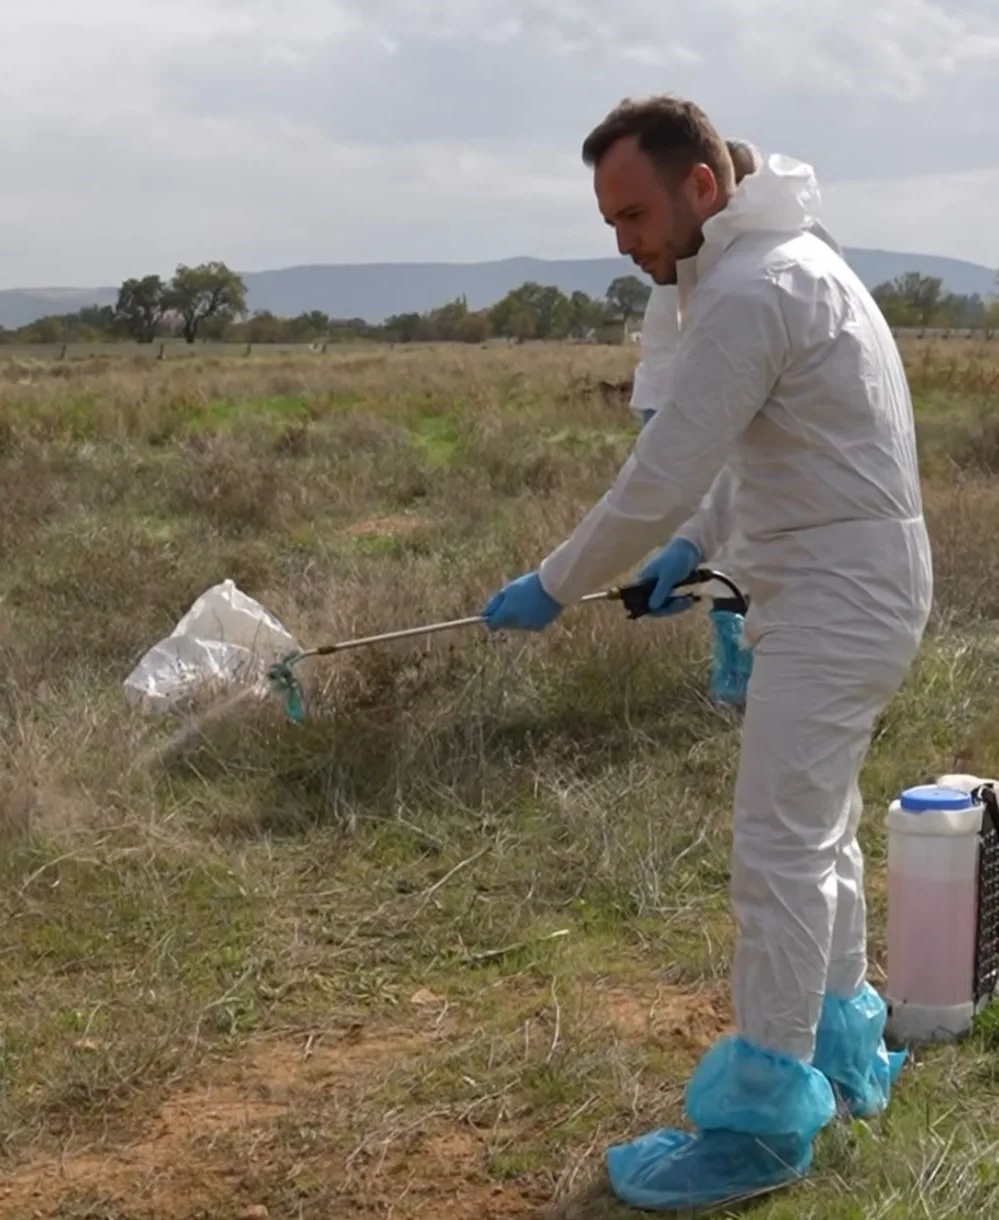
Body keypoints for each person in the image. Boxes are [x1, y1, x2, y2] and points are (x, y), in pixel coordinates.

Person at [481, 95, 932, 1210]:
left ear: (702, 187)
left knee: (775, 850)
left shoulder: (754, 287)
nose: (623, 240)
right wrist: (692, 546)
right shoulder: (786, 268)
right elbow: (749, 462)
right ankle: (836, 1050)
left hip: (838, 594)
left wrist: (556, 580)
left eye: (633, 212)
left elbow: (668, 465)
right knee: (814, 830)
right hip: (841, 585)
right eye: (608, 219)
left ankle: (763, 1123)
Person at [629, 138, 844, 711]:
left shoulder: (781, 259)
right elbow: (674, 384)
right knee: (717, 549)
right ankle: (736, 673)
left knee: (748, 548)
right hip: (691, 412)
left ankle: (758, 669)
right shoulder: (691, 268)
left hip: (761, 426)